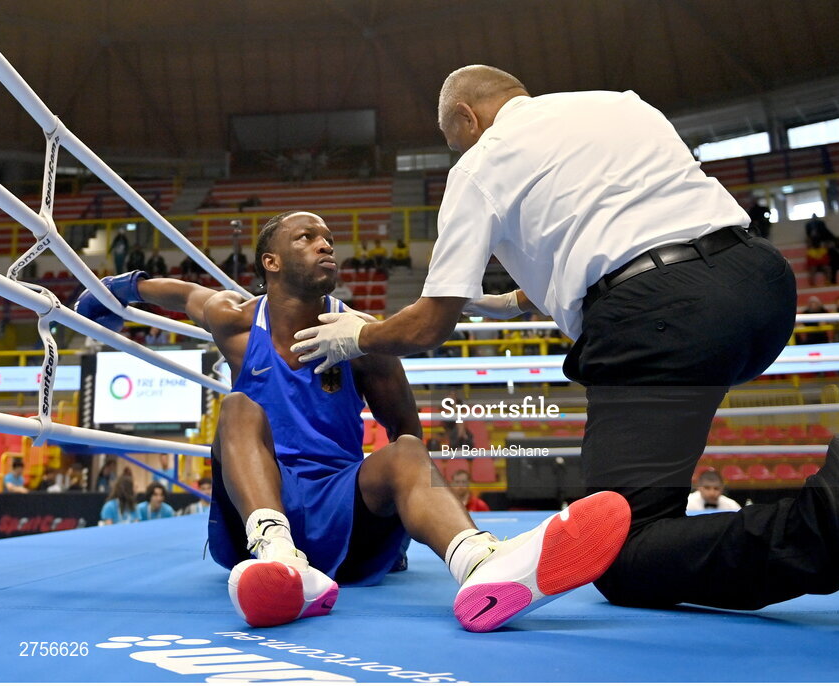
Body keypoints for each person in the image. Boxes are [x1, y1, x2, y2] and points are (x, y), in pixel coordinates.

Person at [298, 65, 839, 640]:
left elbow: (425, 328)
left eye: (453, 142)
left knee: (623, 554)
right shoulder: (619, 106)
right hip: (758, 288)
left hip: (663, 319)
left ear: (468, 122)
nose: (457, 154)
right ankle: (824, 512)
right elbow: (626, 219)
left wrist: (356, 333)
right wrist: (524, 298)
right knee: (650, 480)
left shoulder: (479, 164)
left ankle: (832, 516)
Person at [73, 210, 629, 632]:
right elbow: (179, 292)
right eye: (306, 239)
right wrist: (107, 294)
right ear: (271, 262)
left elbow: (405, 432)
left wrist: (405, 521)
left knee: (407, 451)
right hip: (260, 508)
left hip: (343, 508)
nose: (324, 246)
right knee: (239, 407)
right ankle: (277, 556)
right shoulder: (236, 322)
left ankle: (480, 563)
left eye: (328, 240)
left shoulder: (362, 336)